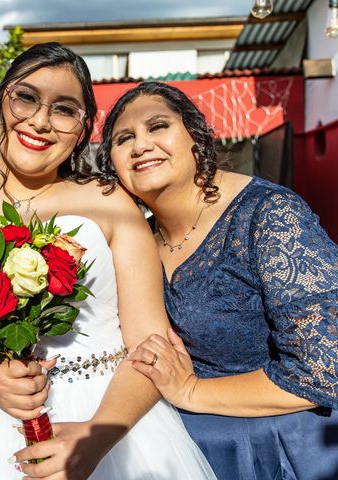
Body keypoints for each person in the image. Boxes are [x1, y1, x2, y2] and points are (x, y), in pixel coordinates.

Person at [0, 43, 214, 480]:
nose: (40, 121)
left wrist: (96, 438)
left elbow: (152, 346)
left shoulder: (111, 203)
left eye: (64, 109)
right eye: (26, 97)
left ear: (81, 130)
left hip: (112, 427)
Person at [97, 81, 338, 480]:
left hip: (279, 448)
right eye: (125, 138)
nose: (141, 145)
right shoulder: (136, 240)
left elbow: (325, 366)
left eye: (158, 126)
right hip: (186, 452)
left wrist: (190, 391)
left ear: (198, 137)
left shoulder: (269, 215)